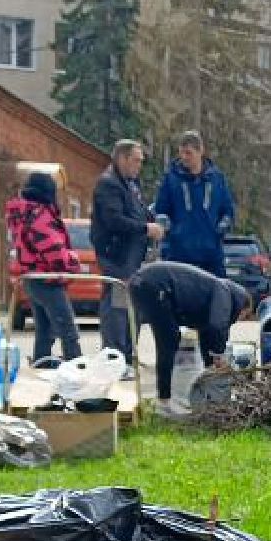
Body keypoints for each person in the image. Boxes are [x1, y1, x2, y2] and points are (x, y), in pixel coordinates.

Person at [129, 259, 253, 415]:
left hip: (147, 282)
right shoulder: (225, 293)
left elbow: (206, 332)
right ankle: (163, 401)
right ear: (243, 307)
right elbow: (217, 326)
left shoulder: (216, 292)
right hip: (154, 284)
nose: (239, 320)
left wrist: (210, 363)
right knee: (168, 339)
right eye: (244, 316)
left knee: (170, 338)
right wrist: (219, 355)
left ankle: (166, 399)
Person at [91, 139, 164, 365]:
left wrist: (152, 219)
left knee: (132, 307)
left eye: (141, 161)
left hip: (133, 257)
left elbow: (137, 212)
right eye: (135, 160)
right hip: (117, 256)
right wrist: (145, 228)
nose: (139, 165)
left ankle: (129, 354)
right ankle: (115, 356)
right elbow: (114, 220)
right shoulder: (109, 184)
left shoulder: (131, 184)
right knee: (117, 309)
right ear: (121, 158)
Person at [4, 171, 83, 364]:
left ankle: (42, 363)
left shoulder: (22, 214)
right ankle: (76, 365)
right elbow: (54, 251)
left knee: (45, 329)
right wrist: (73, 262)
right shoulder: (40, 216)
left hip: (32, 278)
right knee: (67, 329)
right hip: (48, 279)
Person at [152, 130, 238, 277]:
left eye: (189, 153)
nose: (184, 157)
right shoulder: (171, 178)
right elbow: (161, 209)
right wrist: (168, 229)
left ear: (200, 152)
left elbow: (227, 209)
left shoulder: (216, 179)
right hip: (178, 253)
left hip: (211, 253)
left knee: (216, 289)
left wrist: (222, 227)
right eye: (182, 153)